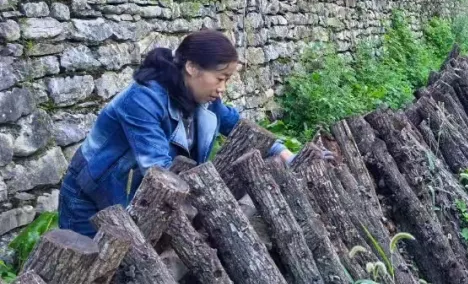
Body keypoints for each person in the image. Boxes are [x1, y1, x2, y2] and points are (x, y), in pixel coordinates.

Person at [59, 30, 293, 237]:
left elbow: (239, 128)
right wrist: (209, 200)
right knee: (87, 270)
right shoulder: (142, 100)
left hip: (138, 199)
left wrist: (282, 153)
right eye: (220, 78)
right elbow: (158, 169)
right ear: (192, 67)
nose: (222, 89)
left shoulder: (205, 97)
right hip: (92, 197)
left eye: (227, 80)